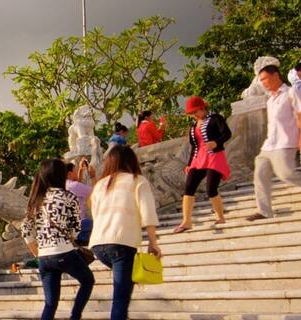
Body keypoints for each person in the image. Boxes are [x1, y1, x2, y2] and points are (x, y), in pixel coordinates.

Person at [245, 64, 301, 221]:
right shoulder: (271, 99)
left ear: (275, 76)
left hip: (285, 143)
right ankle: (264, 211)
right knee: (259, 174)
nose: (263, 83)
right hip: (269, 145)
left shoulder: (291, 92)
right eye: (261, 80)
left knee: (286, 174)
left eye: (265, 78)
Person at [87, 145, 161, 320]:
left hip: (98, 244)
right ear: (131, 160)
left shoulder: (100, 185)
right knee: (121, 297)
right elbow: (148, 212)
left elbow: (95, 213)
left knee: (125, 284)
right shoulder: (137, 180)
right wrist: (153, 243)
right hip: (121, 243)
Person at [24, 159, 93, 320]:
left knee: (50, 303)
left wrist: (37, 252)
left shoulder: (35, 199)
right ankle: (75, 316)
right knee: (88, 280)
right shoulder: (68, 196)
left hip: (43, 257)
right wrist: (68, 240)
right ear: (61, 175)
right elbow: (76, 229)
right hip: (63, 252)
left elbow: (26, 230)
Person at [172, 96, 230, 233]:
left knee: (211, 189)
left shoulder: (216, 118)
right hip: (198, 159)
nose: (194, 115)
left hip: (214, 157)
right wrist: (189, 163)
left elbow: (227, 133)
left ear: (203, 108)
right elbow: (194, 146)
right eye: (191, 113)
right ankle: (186, 221)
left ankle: (220, 216)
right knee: (189, 187)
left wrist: (216, 142)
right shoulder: (193, 126)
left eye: (195, 111)